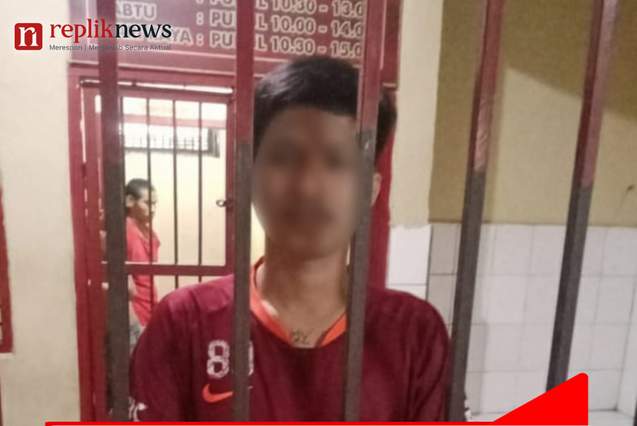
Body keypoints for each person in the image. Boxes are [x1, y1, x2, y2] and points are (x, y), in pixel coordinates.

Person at [130, 56, 449, 421]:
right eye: (284, 158)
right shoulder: (185, 323)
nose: (308, 186)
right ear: (249, 177)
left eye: (337, 161)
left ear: (371, 190)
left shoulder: (414, 333)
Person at [125, 178, 160, 332]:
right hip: (133, 313)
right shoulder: (123, 230)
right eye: (147, 203)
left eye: (155, 204)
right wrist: (132, 319)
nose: (152, 209)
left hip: (150, 307)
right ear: (130, 201)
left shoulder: (150, 233)